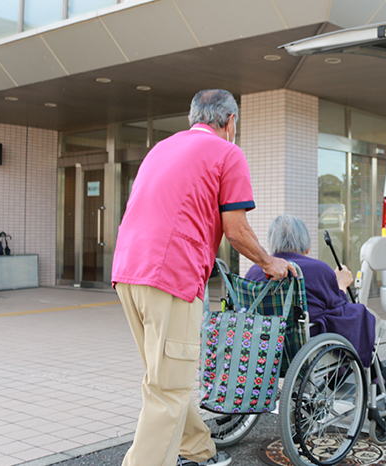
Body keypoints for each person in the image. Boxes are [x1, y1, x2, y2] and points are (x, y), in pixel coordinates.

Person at [111, 89, 295, 466]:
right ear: (230, 122)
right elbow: (237, 229)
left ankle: (197, 449)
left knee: (162, 377)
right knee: (169, 389)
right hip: (171, 277)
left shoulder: (161, 148)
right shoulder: (228, 153)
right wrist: (268, 262)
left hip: (128, 272)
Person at [245, 215, 377, 368]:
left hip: (265, 342)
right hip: (305, 341)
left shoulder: (255, 271)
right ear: (306, 246)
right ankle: (370, 371)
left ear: (271, 243)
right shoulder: (318, 269)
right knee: (359, 312)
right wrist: (341, 284)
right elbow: (338, 307)